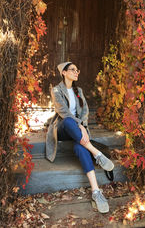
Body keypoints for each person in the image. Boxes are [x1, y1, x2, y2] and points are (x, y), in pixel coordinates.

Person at [46, 61, 114, 213]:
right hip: (64, 128)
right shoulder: (56, 90)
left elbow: (85, 111)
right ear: (63, 72)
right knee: (70, 120)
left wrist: (82, 124)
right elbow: (63, 112)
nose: (76, 72)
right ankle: (96, 153)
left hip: (78, 132)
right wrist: (81, 125)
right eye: (72, 70)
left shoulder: (79, 90)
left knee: (80, 148)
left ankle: (96, 191)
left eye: (77, 70)